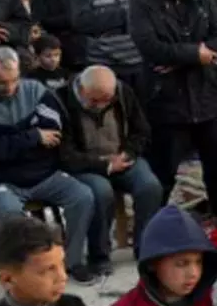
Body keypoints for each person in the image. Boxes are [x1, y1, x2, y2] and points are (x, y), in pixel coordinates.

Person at [128, 0, 217, 227]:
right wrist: (194, 55)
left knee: (216, 161)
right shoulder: (142, 3)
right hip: (166, 98)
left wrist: (186, 58)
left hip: (206, 93)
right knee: (164, 167)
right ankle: (154, 224)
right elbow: (151, 47)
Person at [0, 48, 98, 283]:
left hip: (43, 174)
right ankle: (26, 269)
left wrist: (10, 142)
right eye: (1, 83)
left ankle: (72, 261)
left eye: (14, 80)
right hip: (1, 180)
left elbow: (53, 132)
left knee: (82, 196)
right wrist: (33, 136)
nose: (10, 88)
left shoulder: (37, 91)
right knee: (11, 213)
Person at [53, 66, 160, 272]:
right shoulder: (60, 100)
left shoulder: (122, 92)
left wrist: (127, 153)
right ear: (82, 90)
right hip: (85, 166)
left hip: (122, 158)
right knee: (101, 192)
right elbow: (64, 154)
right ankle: (99, 255)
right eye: (95, 100)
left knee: (150, 186)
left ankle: (145, 248)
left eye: (107, 100)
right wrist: (104, 164)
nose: (101, 105)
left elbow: (141, 131)